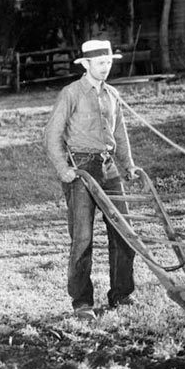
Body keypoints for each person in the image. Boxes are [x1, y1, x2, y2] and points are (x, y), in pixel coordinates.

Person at [44, 39, 141, 320]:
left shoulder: (112, 94)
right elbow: (51, 136)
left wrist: (129, 166)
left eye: (109, 63)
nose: (105, 68)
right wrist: (64, 170)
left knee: (124, 233)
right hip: (81, 169)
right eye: (100, 64)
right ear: (86, 65)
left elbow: (119, 134)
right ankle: (82, 302)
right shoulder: (70, 94)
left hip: (109, 168)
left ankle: (121, 295)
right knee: (83, 238)